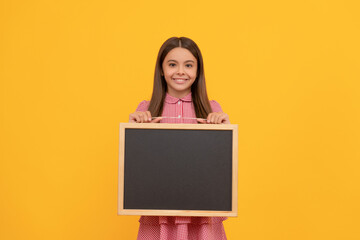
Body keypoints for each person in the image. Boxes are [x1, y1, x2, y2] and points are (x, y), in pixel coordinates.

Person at [129, 37, 230, 240]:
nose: (180, 71)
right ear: (161, 69)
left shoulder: (212, 110)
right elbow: (137, 169)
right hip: (159, 215)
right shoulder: (146, 111)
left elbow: (220, 167)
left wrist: (224, 130)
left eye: (189, 65)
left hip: (201, 217)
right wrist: (134, 129)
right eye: (172, 64)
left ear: (198, 71)